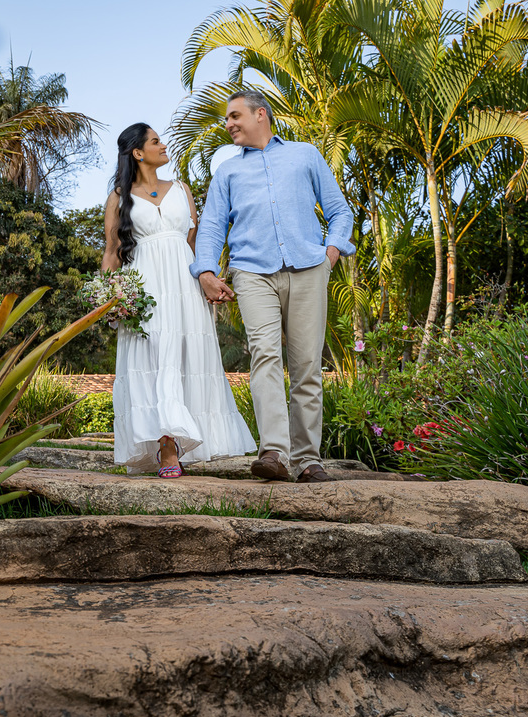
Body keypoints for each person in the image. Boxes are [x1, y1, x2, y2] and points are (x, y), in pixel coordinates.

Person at [190, 90, 355, 483]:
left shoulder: (305, 155)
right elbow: (212, 225)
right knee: (264, 356)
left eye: (234, 115)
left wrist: (330, 254)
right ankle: (275, 453)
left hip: (308, 268)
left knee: (307, 365)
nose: (228, 124)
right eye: (226, 118)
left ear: (260, 114)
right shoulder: (227, 172)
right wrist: (205, 271)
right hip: (252, 273)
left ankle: (308, 460)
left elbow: (339, 210)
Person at [102, 123, 256, 478]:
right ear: (138, 152)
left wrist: (208, 279)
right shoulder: (119, 197)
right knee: (154, 357)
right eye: (155, 141)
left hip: (184, 285)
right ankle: (166, 446)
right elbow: (112, 251)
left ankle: (187, 439)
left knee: (185, 356)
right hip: (144, 289)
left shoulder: (182, 189)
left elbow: (194, 243)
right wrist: (108, 297)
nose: (163, 145)